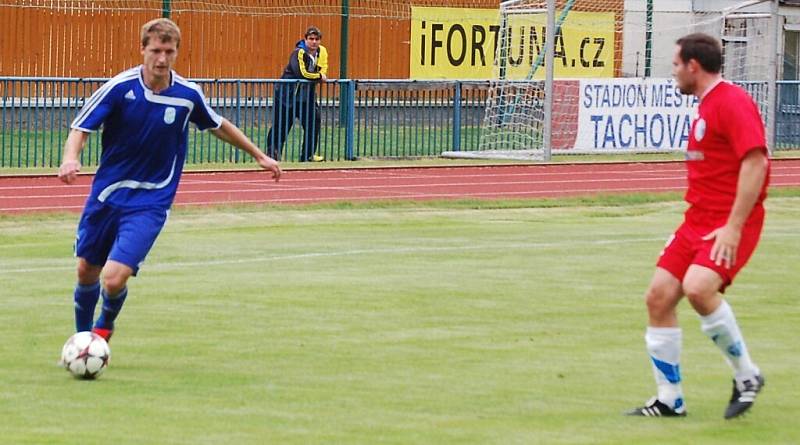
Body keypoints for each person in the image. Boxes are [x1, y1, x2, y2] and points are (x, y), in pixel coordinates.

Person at [57, 18, 281, 343]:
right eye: (156, 50)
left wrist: (259, 155)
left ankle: (103, 326)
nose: (162, 59)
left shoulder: (187, 94)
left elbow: (218, 124)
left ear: (177, 52)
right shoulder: (120, 87)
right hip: (107, 195)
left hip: (151, 202)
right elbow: (81, 128)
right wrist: (70, 158)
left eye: (169, 51)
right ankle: (81, 340)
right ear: (143, 50)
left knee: (113, 279)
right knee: (85, 272)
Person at [626, 33, 770, 419]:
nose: (673, 72)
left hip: (730, 222)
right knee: (658, 297)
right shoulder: (706, 106)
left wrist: (734, 227)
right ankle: (669, 398)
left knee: (697, 288)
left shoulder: (732, 102)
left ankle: (747, 375)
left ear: (693, 66)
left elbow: (756, 162)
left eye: (675, 64)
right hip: (697, 220)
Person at [266, 26, 328, 162]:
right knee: (281, 125)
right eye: (311, 39)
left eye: (317, 39)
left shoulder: (322, 51)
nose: (314, 42)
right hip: (287, 95)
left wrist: (320, 74)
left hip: (307, 97)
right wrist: (318, 76)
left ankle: (308, 155)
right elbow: (302, 73)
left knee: (313, 122)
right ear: (305, 39)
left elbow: (323, 67)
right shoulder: (298, 52)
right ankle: (272, 154)